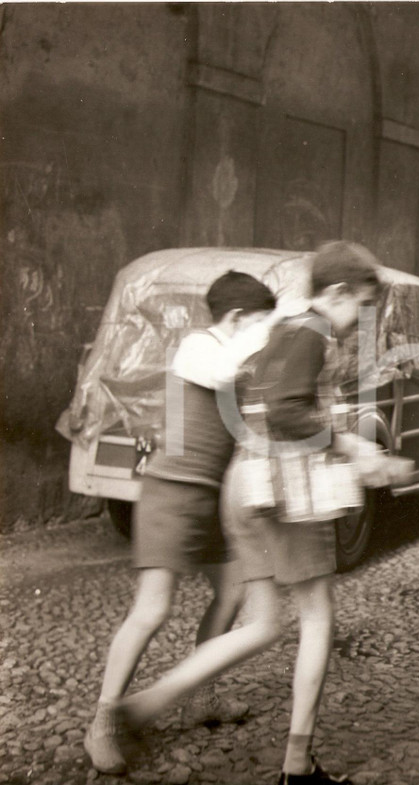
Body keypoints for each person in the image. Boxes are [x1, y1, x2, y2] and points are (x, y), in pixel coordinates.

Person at [109, 241, 396, 785]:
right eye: (361, 307)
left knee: (263, 624)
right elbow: (286, 410)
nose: (360, 322)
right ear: (337, 293)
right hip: (286, 493)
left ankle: (149, 701)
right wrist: (351, 446)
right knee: (318, 619)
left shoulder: (280, 329)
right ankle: (297, 766)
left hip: (245, 484)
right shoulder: (312, 331)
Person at [85, 271, 278, 774]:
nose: (265, 334)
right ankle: (104, 720)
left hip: (214, 498)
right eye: (259, 322)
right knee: (153, 609)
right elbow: (223, 375)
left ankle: (200, 697)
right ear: (236, 318)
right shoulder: (198, 348)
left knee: (231, 594)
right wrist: (266, 339)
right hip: (171, 494)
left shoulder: (238, 359)